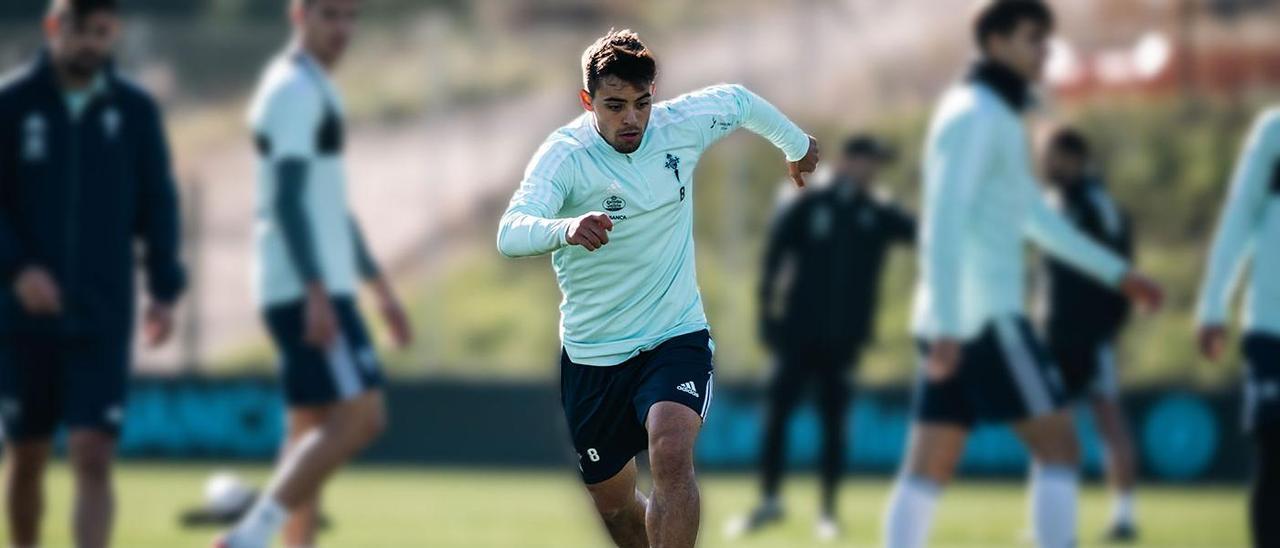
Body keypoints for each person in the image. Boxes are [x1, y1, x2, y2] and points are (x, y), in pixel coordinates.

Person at [496, 29, 819, 548]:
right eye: (615, 105)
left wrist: (798, 146)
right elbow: (510, 232)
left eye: (642, 103)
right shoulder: (564, 157)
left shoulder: (679, 126)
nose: (632, 119)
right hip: (594, 354)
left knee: (671, 453)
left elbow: (737, 101)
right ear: (588, 102)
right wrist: (565, 228)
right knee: (617, 506)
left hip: (675, 333)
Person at [880, 2, 1163, 547]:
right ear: (995, 43)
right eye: (1034, 38)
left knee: (929, 464)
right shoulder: (976, 115)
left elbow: (1034, 218)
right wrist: (946, 324)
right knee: (1060, 448)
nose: (1044, 51)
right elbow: (942, 222)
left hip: (957, 323)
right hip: (984, 324)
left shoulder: (998, 115)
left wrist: (1118, 273)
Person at [217, 1, 412, 547]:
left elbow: (331, 208)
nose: (343, 28)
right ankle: (246, 539)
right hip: (307, 286)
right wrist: (317, 291)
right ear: (299, 14)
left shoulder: (317, 89)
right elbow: (285, 200)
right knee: (361, 417)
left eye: (351, 16)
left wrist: (381, 288)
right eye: (330, 15)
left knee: (308, 433)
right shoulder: (292, 93)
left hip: (315, 284)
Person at [0, 0, 186, 546]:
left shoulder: (135, 110)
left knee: (94, 453)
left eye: (104, 33)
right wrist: (17, 270)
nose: (93, 44)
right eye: (83, 31)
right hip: (20, 316)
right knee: (28, 454)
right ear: (54, 27)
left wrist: (164, 288)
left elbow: (159, 203)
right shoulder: (11, 104)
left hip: (103, 310)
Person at [730, 135, 914, 542]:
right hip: (796, 334)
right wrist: (767, 317)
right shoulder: (808, 200)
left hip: (843, 341)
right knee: (777, 415)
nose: (873, 172)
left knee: (834, 423)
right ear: (849, 161)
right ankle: (769, 500)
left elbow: (919, 234)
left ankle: (828, 511)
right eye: (869, 162)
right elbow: (774, 257)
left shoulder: (875, 211)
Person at [1034, 126, 1140, 542]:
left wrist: (1108, 328)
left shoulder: (1100, 205)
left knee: (1109, 422)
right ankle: (1048, 519)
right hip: (1051, 335)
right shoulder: (1048, 202)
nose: (1046, 164)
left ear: (1073, 158)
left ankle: (1124, 515)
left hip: (1091, 337)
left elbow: (1120, 269)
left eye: (1052, 155)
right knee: (1046, 427)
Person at [1196, 107, 1280, 548]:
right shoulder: (1274, 129)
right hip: (1271, 325)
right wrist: (1213, 305)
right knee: (1275, 452)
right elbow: (1240, 216)